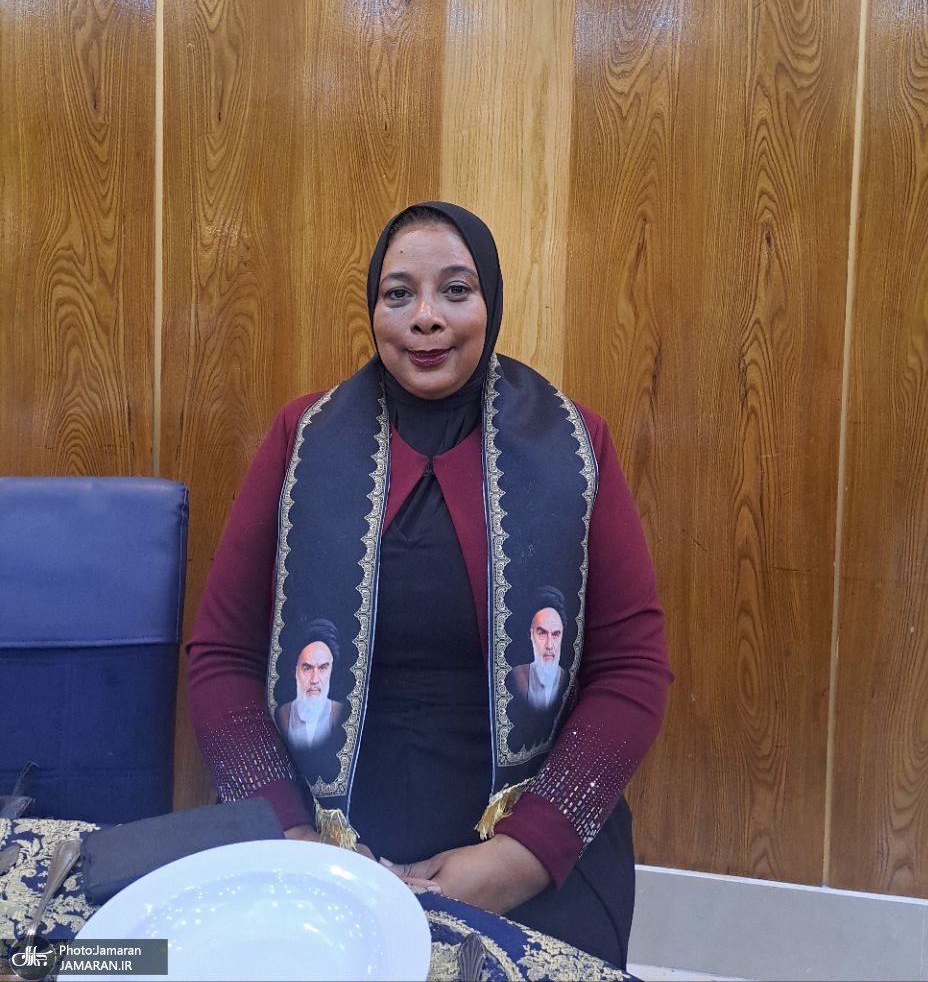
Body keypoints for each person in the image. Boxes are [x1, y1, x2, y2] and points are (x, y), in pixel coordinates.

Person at [187, 202, 672, 968]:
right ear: (373, 310)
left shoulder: (578, 445)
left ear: (491, 304)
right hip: (318, 817)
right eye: (398, 294)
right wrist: (291, 835)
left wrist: (520, 858)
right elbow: (221, 656)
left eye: (454, 290)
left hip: (530, 821)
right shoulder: (300, 440)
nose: (425, 318)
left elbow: (633, 670)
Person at [276, 620, 344, 751]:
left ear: (331, 671)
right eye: (307, 668)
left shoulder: (341, 713)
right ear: (296, 671)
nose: (314, 680)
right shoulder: (282, 715)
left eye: (323, 668)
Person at [507, 588, 569, 713]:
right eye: (542, 633)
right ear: (531, 635)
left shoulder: (568, 681)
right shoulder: (516, 678)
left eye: (556, 634)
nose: (549, 645)